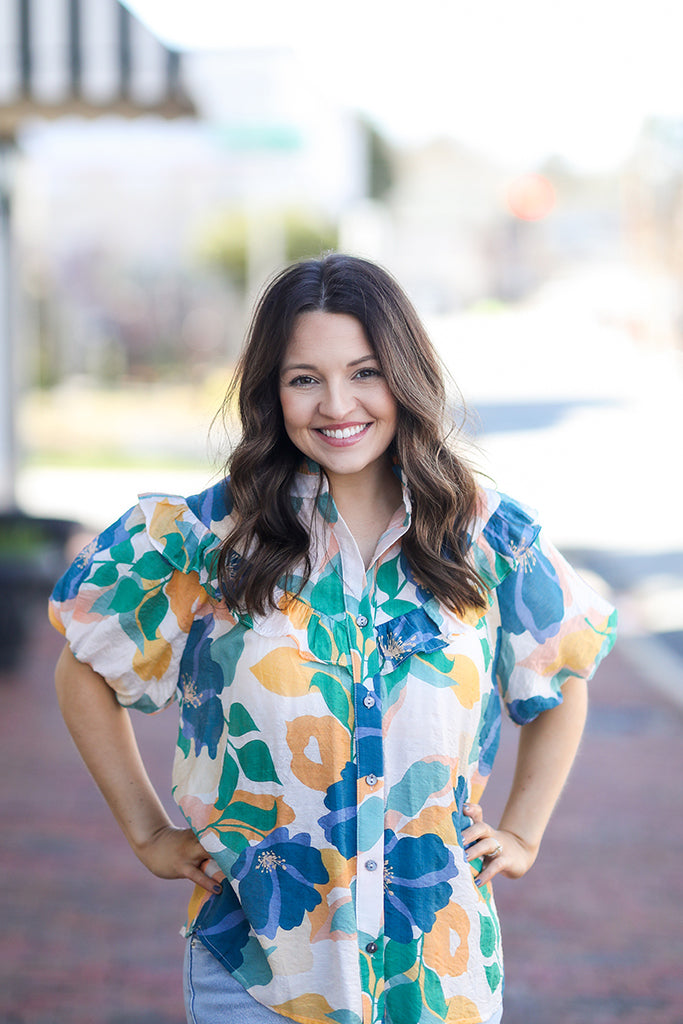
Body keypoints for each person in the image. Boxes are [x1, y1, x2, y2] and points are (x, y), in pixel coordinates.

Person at [50, 253, 617, 1024]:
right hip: (259, 968)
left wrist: (521, 830)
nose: (336, 403)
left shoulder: (485, 537)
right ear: (271, 390)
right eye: (304, 378)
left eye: (364, 372)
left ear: (404, 376)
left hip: (437, 970)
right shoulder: (203, 538)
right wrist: (148, 829)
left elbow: (561, 672)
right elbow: (83, 663)